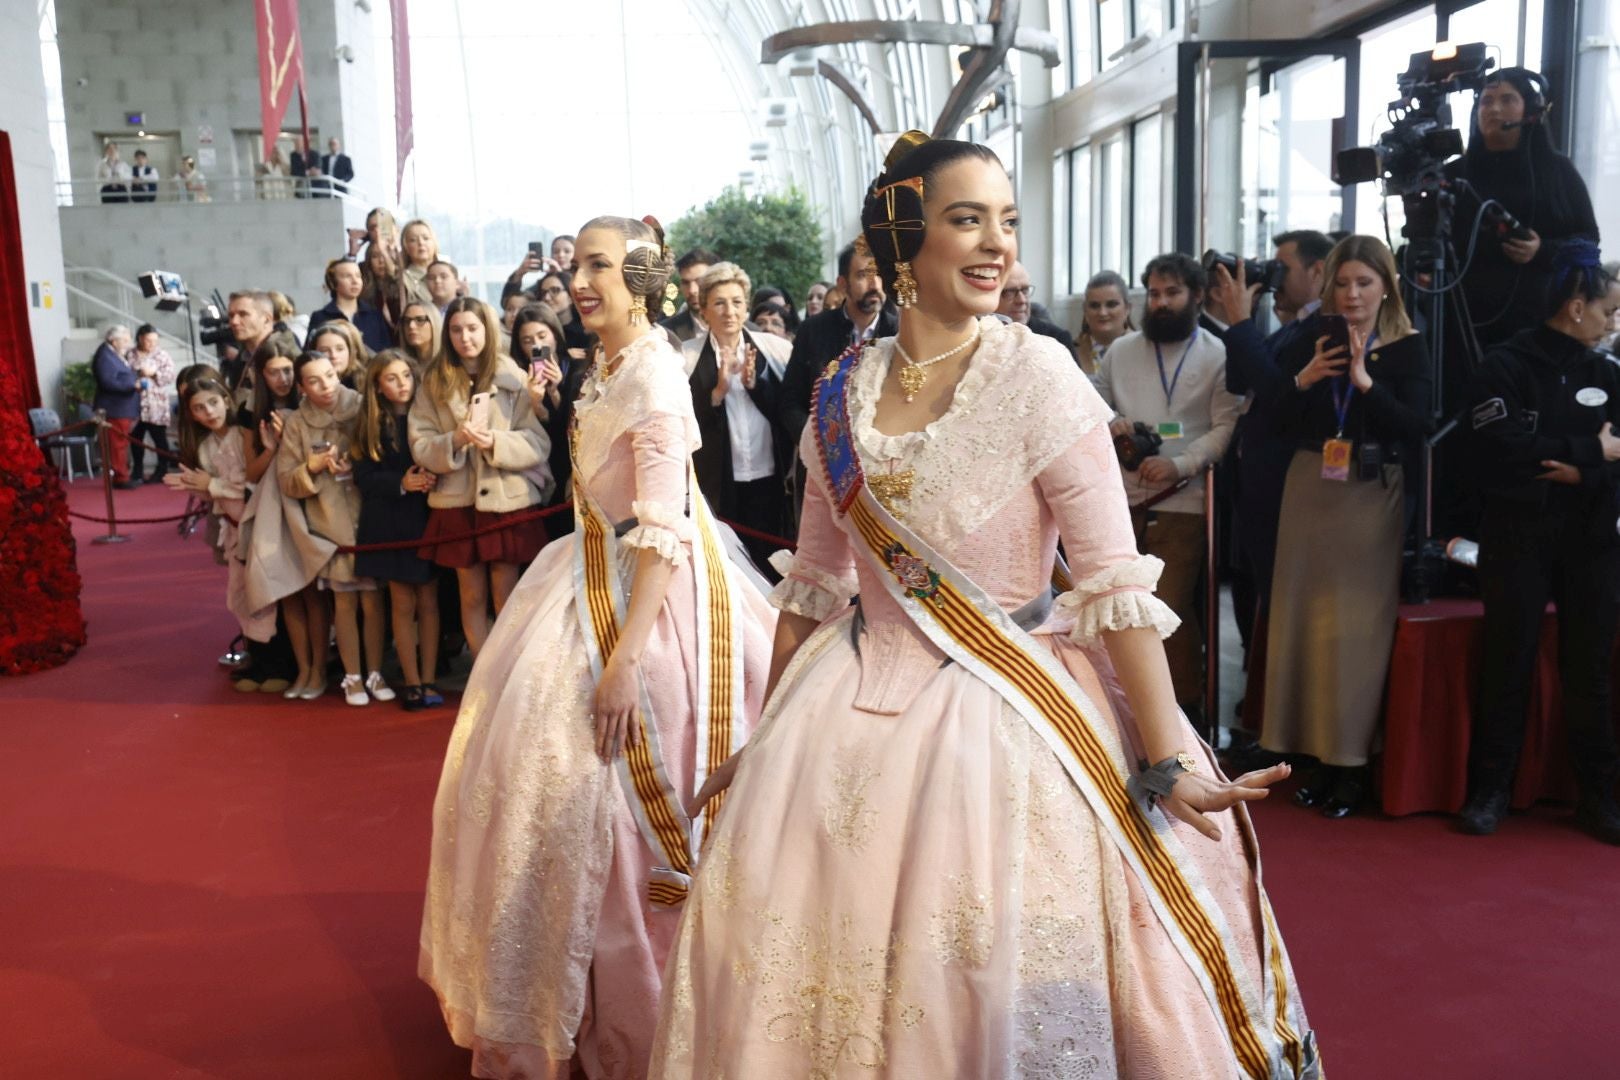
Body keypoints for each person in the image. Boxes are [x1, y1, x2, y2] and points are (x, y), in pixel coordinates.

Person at [650, 132, 1316, 1079]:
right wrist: (762, 743)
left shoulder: (1037, 375)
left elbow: (1111, 582)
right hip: (833, 717)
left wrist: (1167, 756)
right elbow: (816, 584)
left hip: (1006, 720)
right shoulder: (840, 391)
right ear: (904, 241)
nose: (996, 242)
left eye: (1006, 220)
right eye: (967, 219)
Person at [419, 215, 778, 1079]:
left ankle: (653, 1002)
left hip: (652, 605)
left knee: (618, 790)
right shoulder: (605, 363)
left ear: (642, 277)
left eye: (599, 266)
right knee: (550, 784)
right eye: (576, 265)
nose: (580, 281)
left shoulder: (653, 374)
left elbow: (665, 531)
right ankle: (581, 991)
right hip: (584, 575)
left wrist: (624, 660)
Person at [1260, 235, 1432, 818]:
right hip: (1310, 483)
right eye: (1342, 282)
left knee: (1355, 632)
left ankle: (1350, 766)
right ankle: (1309, 753)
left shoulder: (1407, 347)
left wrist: (1365, 384)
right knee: (1303, 623)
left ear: (1386, 286)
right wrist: (1305, 379)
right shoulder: (1311, 340)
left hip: (1369, 490)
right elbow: (1268, 421)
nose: (1352, 294)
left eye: (1364, 282)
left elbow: (1417, 428)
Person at [1458, 243, 1620, 843]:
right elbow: (1500, 447)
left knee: (1591, 672)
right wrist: (1591, 450)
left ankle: (1599, 797)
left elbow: (1615, 457)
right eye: (1607, 311)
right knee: (1509, 662)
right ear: (1576, 308)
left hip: (1593, 541)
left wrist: (1584, 469)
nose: (1611, 323)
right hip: (1517, 536)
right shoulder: (1505, 365)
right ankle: (1490, 790)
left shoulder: (1608, 374)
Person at [1095, 253, 1240, 722]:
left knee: (1168, 611)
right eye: (1154, 293)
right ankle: (1121, 710)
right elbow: (1093, 400)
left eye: (1172, 293)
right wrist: (1113, 423)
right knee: (1117, 611)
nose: (1161, 303)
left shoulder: (1218, 354)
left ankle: (1181, 716)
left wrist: (1181, 463)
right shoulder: (1122, 350)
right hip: (1119, 500)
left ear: (1196, 296)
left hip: (1184, 501)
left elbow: (1225, 426)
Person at [409, 296, 551, 657]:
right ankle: (482, 677)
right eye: (456, 330)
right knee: (470, 595)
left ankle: (507, 671)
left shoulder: (514, 377)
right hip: (458, 499)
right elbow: (420, 442)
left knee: (507, 594)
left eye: (472, 328)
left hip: (506, 498)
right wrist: (454, 441)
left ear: (486, 329)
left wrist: (495, 442)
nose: (465, 337)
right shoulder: (434, 380)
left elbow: (538, 442)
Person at [1446, 67, 1601, 351]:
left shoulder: (1558, 170)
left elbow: (1589, 239)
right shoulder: (1453, 174)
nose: (1494, 108)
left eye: (1507, 100)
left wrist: (1542, 250)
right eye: (1486, 101)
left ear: (1530, 111)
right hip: (1461, 326)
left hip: (1539, 324)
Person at [276, 348, 394, 706]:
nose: (324, 385)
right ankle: (352, 677)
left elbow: (386, 453)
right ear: (301, 387)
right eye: (313, 380)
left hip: (369, 518)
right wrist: (310, 468)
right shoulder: (298, 422)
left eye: (328, 375)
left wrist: (357, 467)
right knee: (343, 602)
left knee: (373, 600)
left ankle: (375, 672)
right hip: (328, 523)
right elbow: (286, 480)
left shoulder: (362, 405)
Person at [685, 261, 794, 571]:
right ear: (704, 311)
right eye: (719, 303)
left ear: (747, 308)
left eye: (736, 302)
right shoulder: (687, 358)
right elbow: (685, 424)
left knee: (771, 561)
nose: (729, 311)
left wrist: (754, 386)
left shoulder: (775, 351)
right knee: (728, 565)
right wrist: (716, 393)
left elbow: (784, 413)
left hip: (768, 473)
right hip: (719, 481)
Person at [352, 350, 445, 711]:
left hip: (427, 518)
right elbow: (363, 478)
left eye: (406, 375)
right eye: (392, 378)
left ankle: (430, 676)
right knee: (403, 603)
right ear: (377, 386)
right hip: (391, 521)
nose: (402, 384)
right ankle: (412, 681)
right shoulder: (370, 425)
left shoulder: (428, 416)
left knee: (430, 602)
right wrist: (402, 483)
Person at [165, 375, 277, 644]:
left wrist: (212, 484)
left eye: (213, 402)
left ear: (226, 400)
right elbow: (215, 493)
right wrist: (195, 486)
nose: (209, 412)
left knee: (269, 593)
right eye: (199, 408)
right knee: (240, 595)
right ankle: (255, 654)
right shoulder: (204, 447)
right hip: (233, 529)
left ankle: (276, 661)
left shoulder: (244, 436)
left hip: (263, 527)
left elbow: (253, 484)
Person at [780, 236, 898, 451]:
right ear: (843, 285)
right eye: (863, 275)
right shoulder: (813, 331)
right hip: (823, 457)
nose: (875, 284)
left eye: (879, 274)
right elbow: (790, 401)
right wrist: (815, 444)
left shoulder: (900, 331)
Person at [512, 302, 584, 543]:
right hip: (537, 471)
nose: (537, 345)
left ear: (555, 334)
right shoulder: (516, 376)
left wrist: (555, 393)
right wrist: (534, 403)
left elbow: (571, 427)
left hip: (570, 470)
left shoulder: (576, 366)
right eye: (527, 340)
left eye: (542, 336)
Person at [308, 256, 393, 354]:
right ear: (333, 282)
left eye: (358, 276)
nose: (355, 281)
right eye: (347, 276)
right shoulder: (321, 317)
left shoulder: (375, 316)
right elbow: (312, 353)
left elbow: (387, 351)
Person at [92, 324, 140, 488]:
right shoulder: (105, 356)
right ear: (114, 340)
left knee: (120, 444)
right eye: (125, 340)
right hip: (115, 408)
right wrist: (133, 386)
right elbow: (108, 382)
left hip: (121, 408)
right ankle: (121, 477)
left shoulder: (113, 354)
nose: (128, 343)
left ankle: (122, 475)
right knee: (117, 445)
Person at [999, 259, 1076, 352]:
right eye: (1010, 292)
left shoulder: (1057, 338)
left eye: (1025, 290)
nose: (1022, 300)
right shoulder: (979, 335)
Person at [1075, 269, 1135, 373]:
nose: (1102, 313)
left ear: (1127, 308)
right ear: (1085, 310)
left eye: (1111, 304)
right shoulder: (1069, 353)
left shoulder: (1145, 350)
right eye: (1094, 306)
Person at [659, 247, 719, 342]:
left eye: (699, 281)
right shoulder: (665, 334)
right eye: (686, 283)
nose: (692, 290)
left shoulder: (746, 331)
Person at [537, 268, 592, 355]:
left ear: (571, 296)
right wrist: (564, 356)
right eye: (543, 293)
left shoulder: (587, 330)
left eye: (555, 291)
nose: (547, 298)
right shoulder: (538, 331)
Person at [308, 320, 371, 389]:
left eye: (340, 349)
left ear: (350, 351)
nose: (333, 355)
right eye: (325, 350)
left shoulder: (369, 382)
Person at [400, 220, 442, 309]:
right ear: (405, 247)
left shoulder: (447, 272)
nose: (421, 243)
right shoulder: (402, 279)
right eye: (413, 240)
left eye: (426, 238)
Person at [397, 301, 441, 368]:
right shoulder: (402, 366)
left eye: (420, 320)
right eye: (407, 320)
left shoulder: (450, 364)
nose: (411, 326)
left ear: (434, 323)